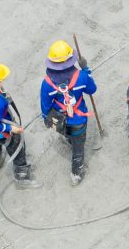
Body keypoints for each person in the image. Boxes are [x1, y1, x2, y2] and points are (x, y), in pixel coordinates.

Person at [38, 41, 98, 185]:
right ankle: (76, 174)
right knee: (78, 149)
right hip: (78, 120)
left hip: (60, 121)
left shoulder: (46, 83)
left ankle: (68, 138)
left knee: (67, 133)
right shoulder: (82, 77)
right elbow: (92, 89)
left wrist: (48, 119)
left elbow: (45, 107)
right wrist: (86, 69)